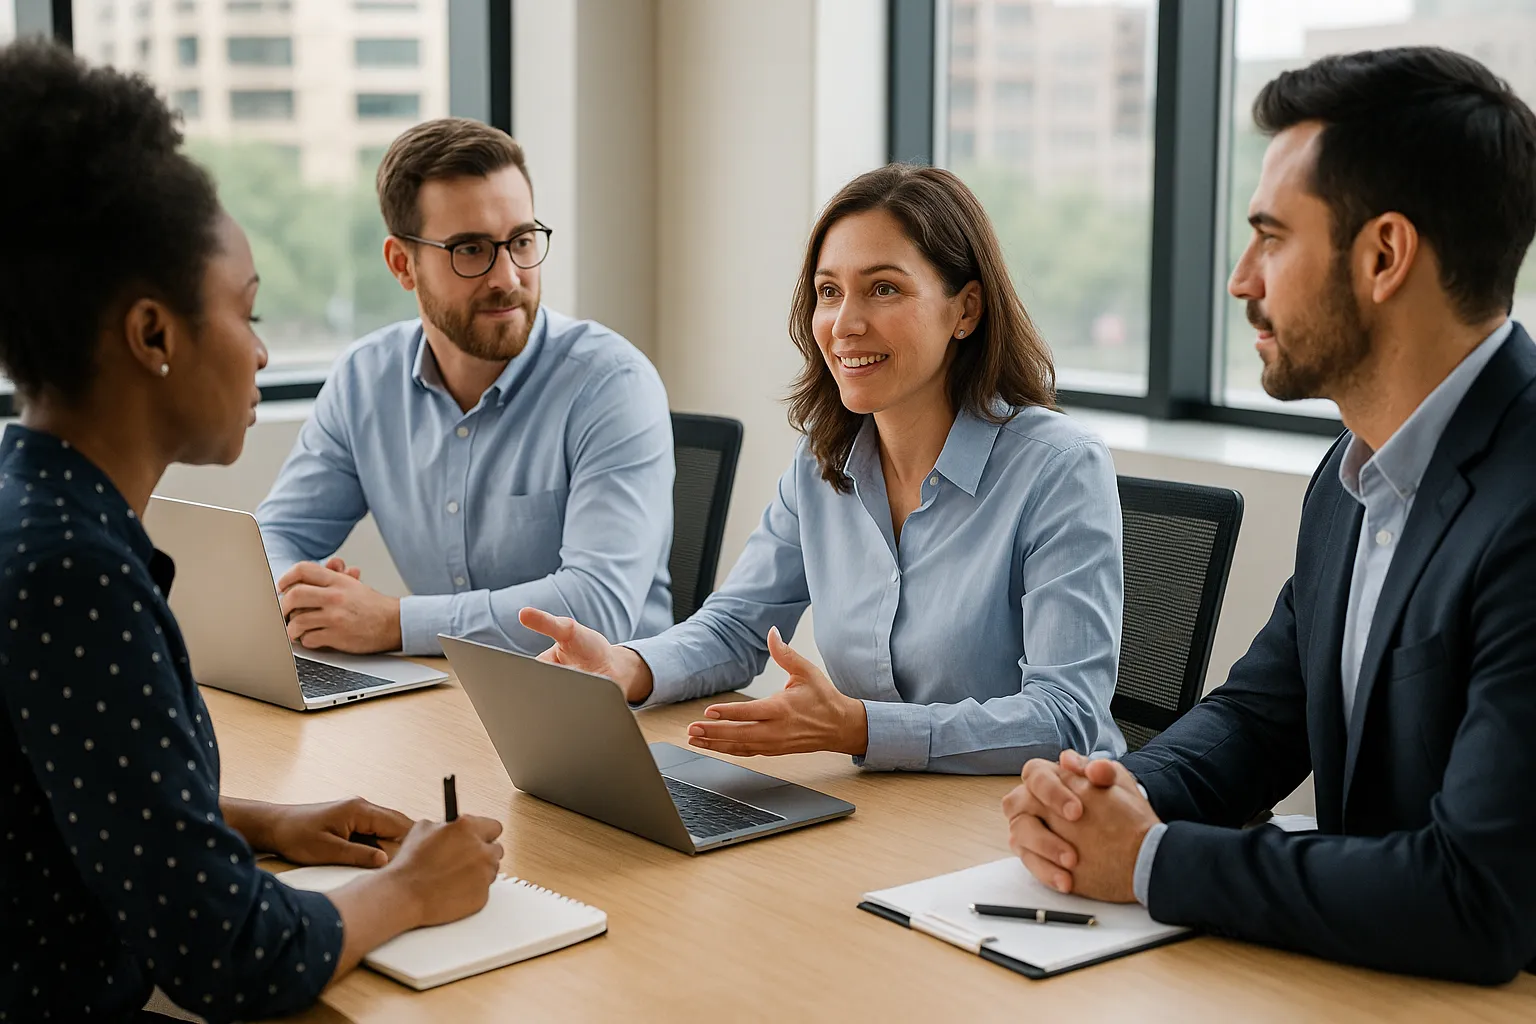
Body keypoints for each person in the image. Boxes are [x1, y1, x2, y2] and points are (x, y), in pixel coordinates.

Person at [1003, 47, 1536, 983]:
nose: (1241, 279)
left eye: (1272, 237)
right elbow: (1258, 719)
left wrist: (1152, 860)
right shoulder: (1350, 473)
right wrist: (1105, 797)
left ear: (1383, 256)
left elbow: (1475, 894)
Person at [0, 43, 505, 1021]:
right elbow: (231, 954)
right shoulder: (75, 572)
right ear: (154, 335)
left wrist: (274, 821)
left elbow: (77, 799)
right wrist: (411, 887)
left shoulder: (33, 508)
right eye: (249, 311)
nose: (265, 349)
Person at [522, 164, 1125, 774]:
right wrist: (627, 667)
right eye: (829, 292)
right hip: (881, 809)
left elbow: (1064, 718)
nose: (844, 324)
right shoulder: (823, 459)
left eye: (884, 288)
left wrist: (859, 728)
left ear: (965, 310)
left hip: (1024, 818)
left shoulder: (1060, 469)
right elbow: (736, 627)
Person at [254, 118, 674, 657]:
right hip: (450, 698)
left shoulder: (612, 385)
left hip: (612, 714)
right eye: (471, 250)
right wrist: (307, 598)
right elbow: (274, 536)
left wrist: (394, 623)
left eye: (521, 241)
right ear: (402, 264)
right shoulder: (365, 380)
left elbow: (596, 606)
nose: (508, 276)